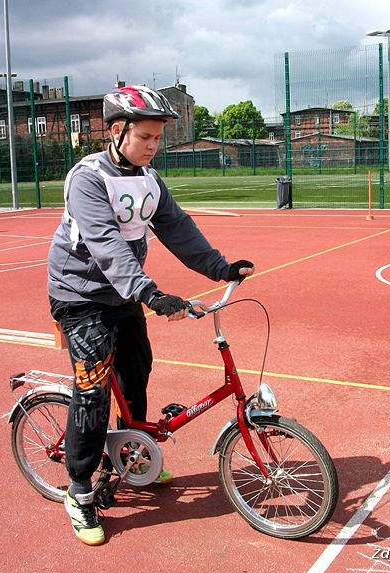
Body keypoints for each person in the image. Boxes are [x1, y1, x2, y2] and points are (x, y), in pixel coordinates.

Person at [47, 84, 254, 546]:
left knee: (137, 371)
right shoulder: (88, 179)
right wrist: (149, 293)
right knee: (94, 390)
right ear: (118, 131)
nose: (153, 146)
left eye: (158, 138)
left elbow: (177, 228)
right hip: (79, 296)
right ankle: (79, 492)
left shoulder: (149, 179)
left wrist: (219, 267)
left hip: (122, 296)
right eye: (146, 137)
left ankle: (129, 455)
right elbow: (105, 245)